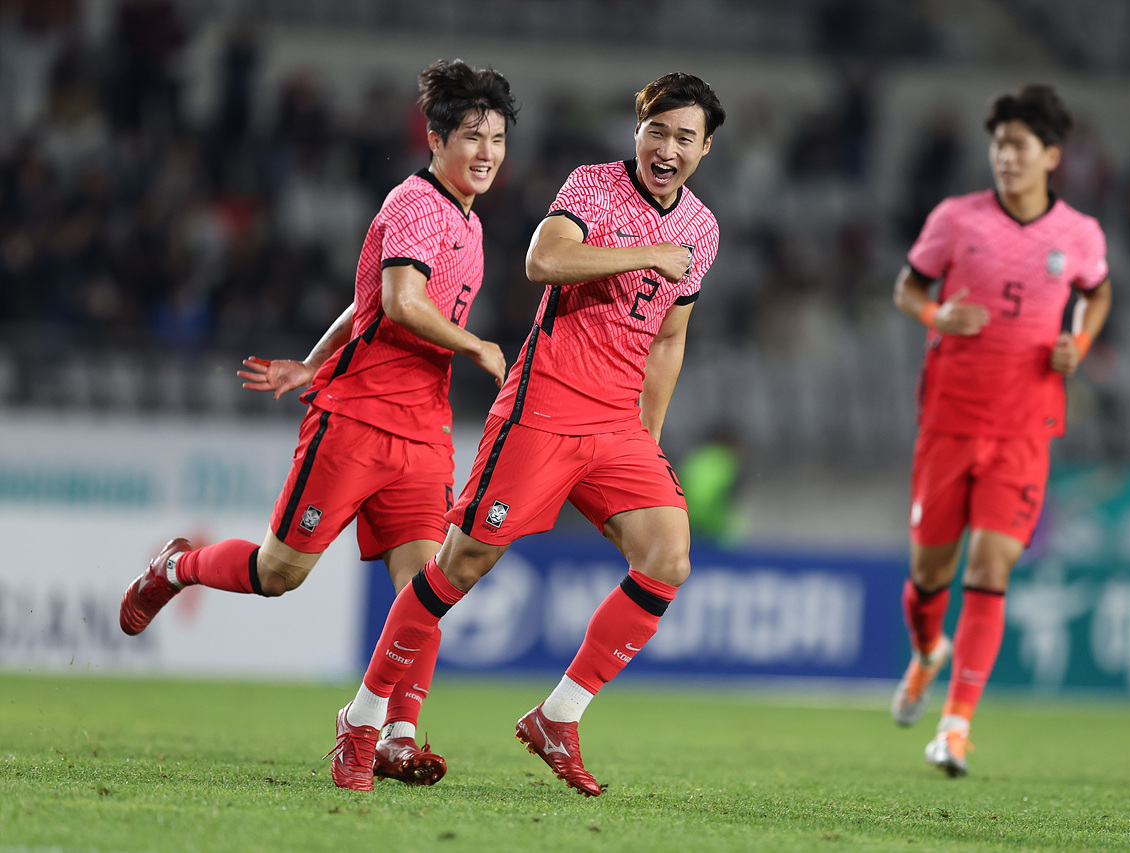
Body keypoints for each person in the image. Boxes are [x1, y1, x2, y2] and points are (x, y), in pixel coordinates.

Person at [118, 59, 518, 787]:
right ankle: (174, 565)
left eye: (496, 138)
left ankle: (394, 733)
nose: (487, 152)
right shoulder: (415, 203)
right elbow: (398, 301)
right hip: (356, 419)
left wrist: (309, 358)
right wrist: (476, 344)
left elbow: (362, 300)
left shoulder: (469, 221)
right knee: (279, 573)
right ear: (434, 138)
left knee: (426, 585)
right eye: (472, 136)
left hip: (423, 428)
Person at [328, 71, 725, 796]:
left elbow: (670, 339)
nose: (667, 147)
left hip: (615, 425)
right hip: (543, 408)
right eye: (656, 131)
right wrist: (643, 252)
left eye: (684, 136)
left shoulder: (701, 228)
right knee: (461, 564)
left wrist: (649, 438)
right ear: (637, 134)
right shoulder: (594, 187)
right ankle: (362, 716)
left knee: (667, 557)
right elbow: (543, 260)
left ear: (705, 148)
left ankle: (558, 715)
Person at [889, 85, 1112, 777]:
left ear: (1051, 156)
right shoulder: (956, 220)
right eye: (998, 144)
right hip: (950, 422)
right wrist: (936, 317)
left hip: (1024, 428)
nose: (1005, 157)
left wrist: (1080, 340)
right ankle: (928, 651)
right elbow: (907, 288)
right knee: (931, 575)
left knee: (991, 568)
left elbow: (1098, 291)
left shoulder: (1079, 234)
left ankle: (955, 728)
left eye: (1018, 145)